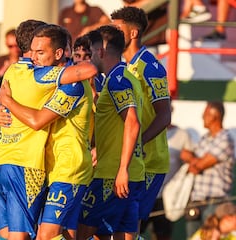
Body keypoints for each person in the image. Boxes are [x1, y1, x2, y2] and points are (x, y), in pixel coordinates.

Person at [0, 20, 97, 240]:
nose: (37, 58)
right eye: (36, 51)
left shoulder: (17, 71)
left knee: (44, 235)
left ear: (59, 52)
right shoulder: (38, 75)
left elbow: (38, 120)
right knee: (62, 232)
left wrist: (6, 103)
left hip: (66, 167)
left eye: (41, 52)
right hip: (38, 165)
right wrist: (0, 109)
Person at [77, 25, 144, 240]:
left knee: (81, 232)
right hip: (130, 174)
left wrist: (121, 169)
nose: (89, 57)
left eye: (91, 51)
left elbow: (132, 123)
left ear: (102, 51)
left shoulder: (117, 82)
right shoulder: (128, 77)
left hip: (113, 175)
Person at [111, 6, 172, 236]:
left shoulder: (150, 67)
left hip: (149, 161)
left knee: (130, 226)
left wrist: (138, 143)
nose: (111, 34)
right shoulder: (118, 67)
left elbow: (164, 115)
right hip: (125, 160)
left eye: (117, 29)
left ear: (133, 33)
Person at [140, 102, 193, 240]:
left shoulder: (182, 135)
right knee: (135, 231)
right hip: (143, 191)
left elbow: (191, 163)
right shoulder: (144, 130)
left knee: (163, 234)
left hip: (166, 197)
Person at [181, 101, 235, 238]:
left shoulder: (225, 139)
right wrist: (195, 161)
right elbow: (188, 157)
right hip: (196, 201)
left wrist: (192, 160)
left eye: (205, 114)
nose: (202, 117)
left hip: (215, 203)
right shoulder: (204, 138)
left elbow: (200, 165)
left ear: (215, 116)